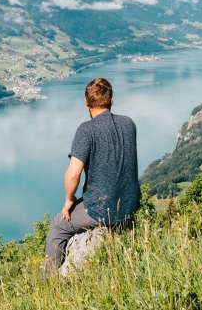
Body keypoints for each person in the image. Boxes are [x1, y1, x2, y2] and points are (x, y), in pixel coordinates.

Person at [43, 77, 140, 276]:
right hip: (130, 204)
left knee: (57, 227)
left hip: (101, 209)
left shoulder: (86, 130)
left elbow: (73, 175)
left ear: (86, 103)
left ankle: (48, 283)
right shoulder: (129, 124)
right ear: (111, 100)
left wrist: (69, 201)